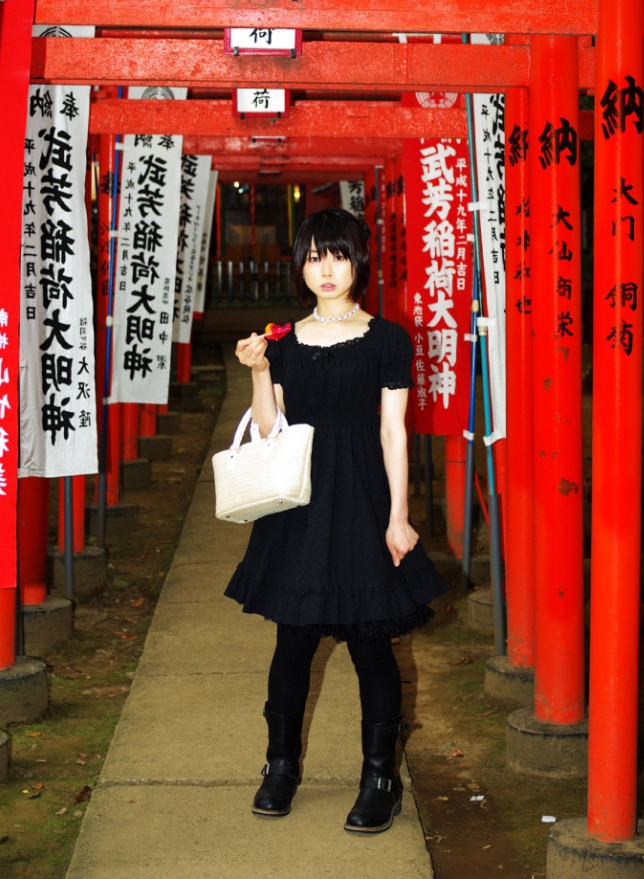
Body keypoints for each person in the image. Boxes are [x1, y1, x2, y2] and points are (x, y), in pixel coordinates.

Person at [225, 207, 446, 834]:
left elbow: (393, 431)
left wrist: (399, 517)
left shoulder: (387, 339)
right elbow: (270, 428)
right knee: (292, 641)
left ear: (359, 263)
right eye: (315, 256)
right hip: (298, 506)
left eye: (339, 255)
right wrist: (260, 371)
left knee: (371, 642)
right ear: (300, 264)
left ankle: (380, 777)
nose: (326, 269)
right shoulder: (281, 342)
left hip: (362, 500)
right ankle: (280, 767)